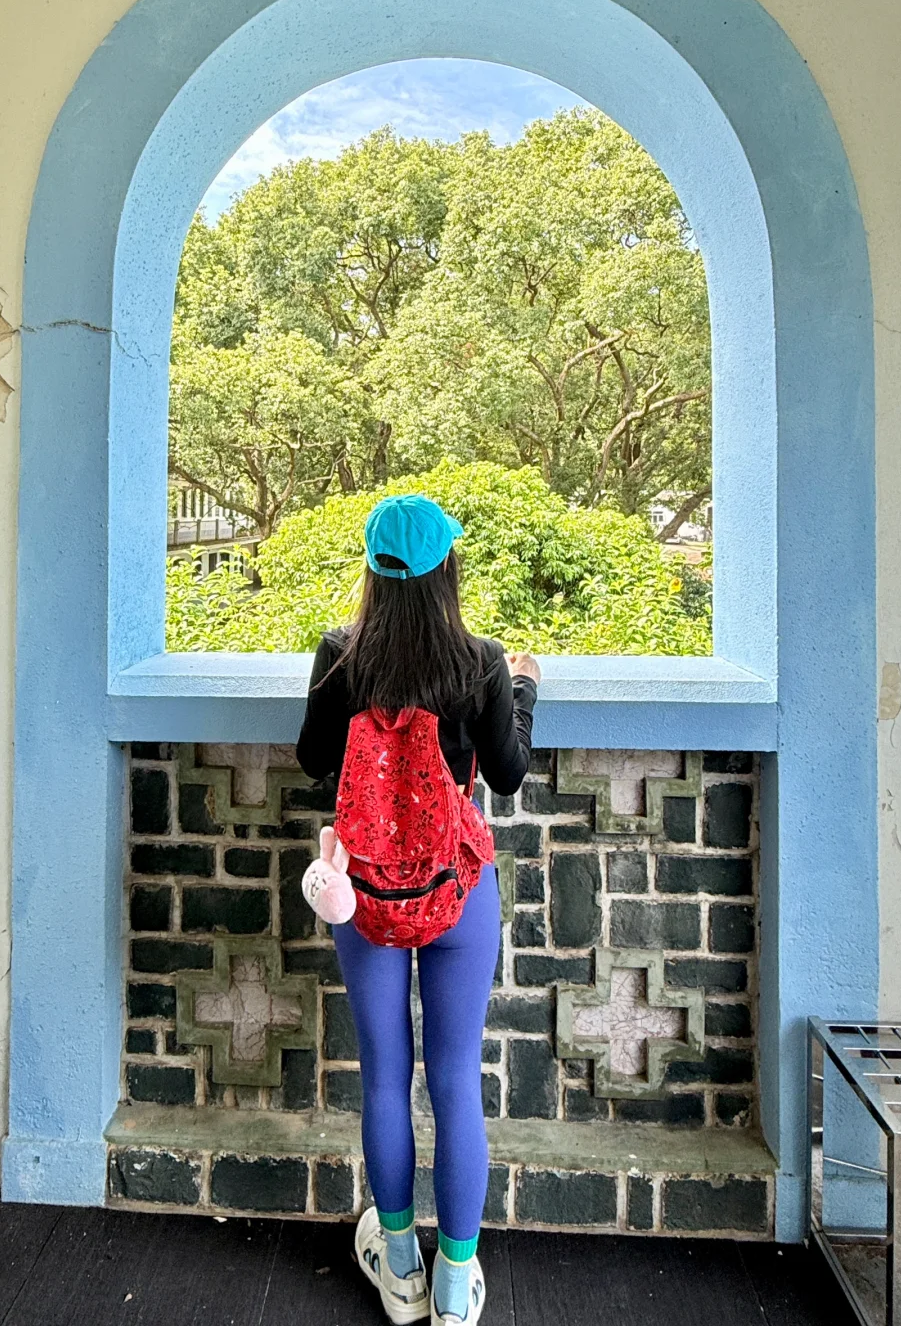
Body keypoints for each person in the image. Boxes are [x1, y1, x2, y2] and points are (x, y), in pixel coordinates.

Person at [297, 493, 540, 1326]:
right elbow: (507, 774)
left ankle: (399, 1267)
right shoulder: (482, 663)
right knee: (456, 1079)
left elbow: (312, 759)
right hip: (457, 892)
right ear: (446, 570)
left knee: (385, 1077)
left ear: (373, 569)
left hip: (364, 895)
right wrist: (524, 690)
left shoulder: (340, 657)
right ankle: (454, 1285)